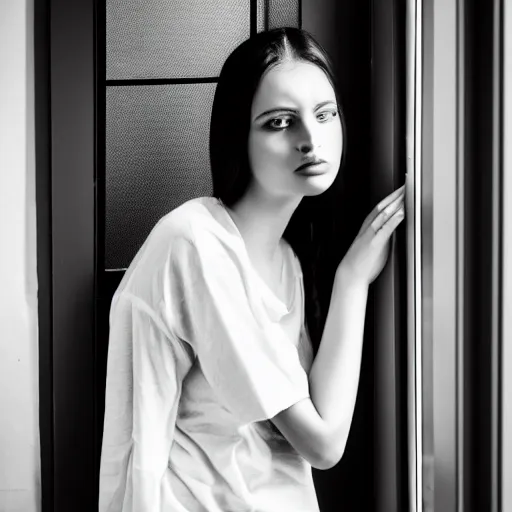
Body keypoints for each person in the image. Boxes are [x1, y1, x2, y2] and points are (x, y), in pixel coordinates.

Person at [98, 27, 405, 512]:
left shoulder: (287, 259)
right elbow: (324, 444)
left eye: (325, 115)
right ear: (238, 135)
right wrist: (353, 282)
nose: (311, 139)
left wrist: (349, 278)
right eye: (280, 122)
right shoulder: (195, 243)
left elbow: (318, 416)